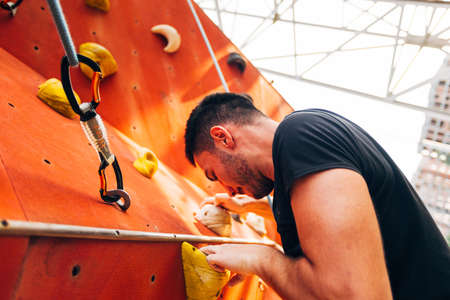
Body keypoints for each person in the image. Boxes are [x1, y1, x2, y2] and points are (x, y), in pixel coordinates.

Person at [184, 92, 450, 300]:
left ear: (222, 137)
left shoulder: (300, 136)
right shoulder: (305, 145)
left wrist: (261, 259)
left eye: (212, 174)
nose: (224, 188)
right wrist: (254, 207)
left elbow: (351, 296)